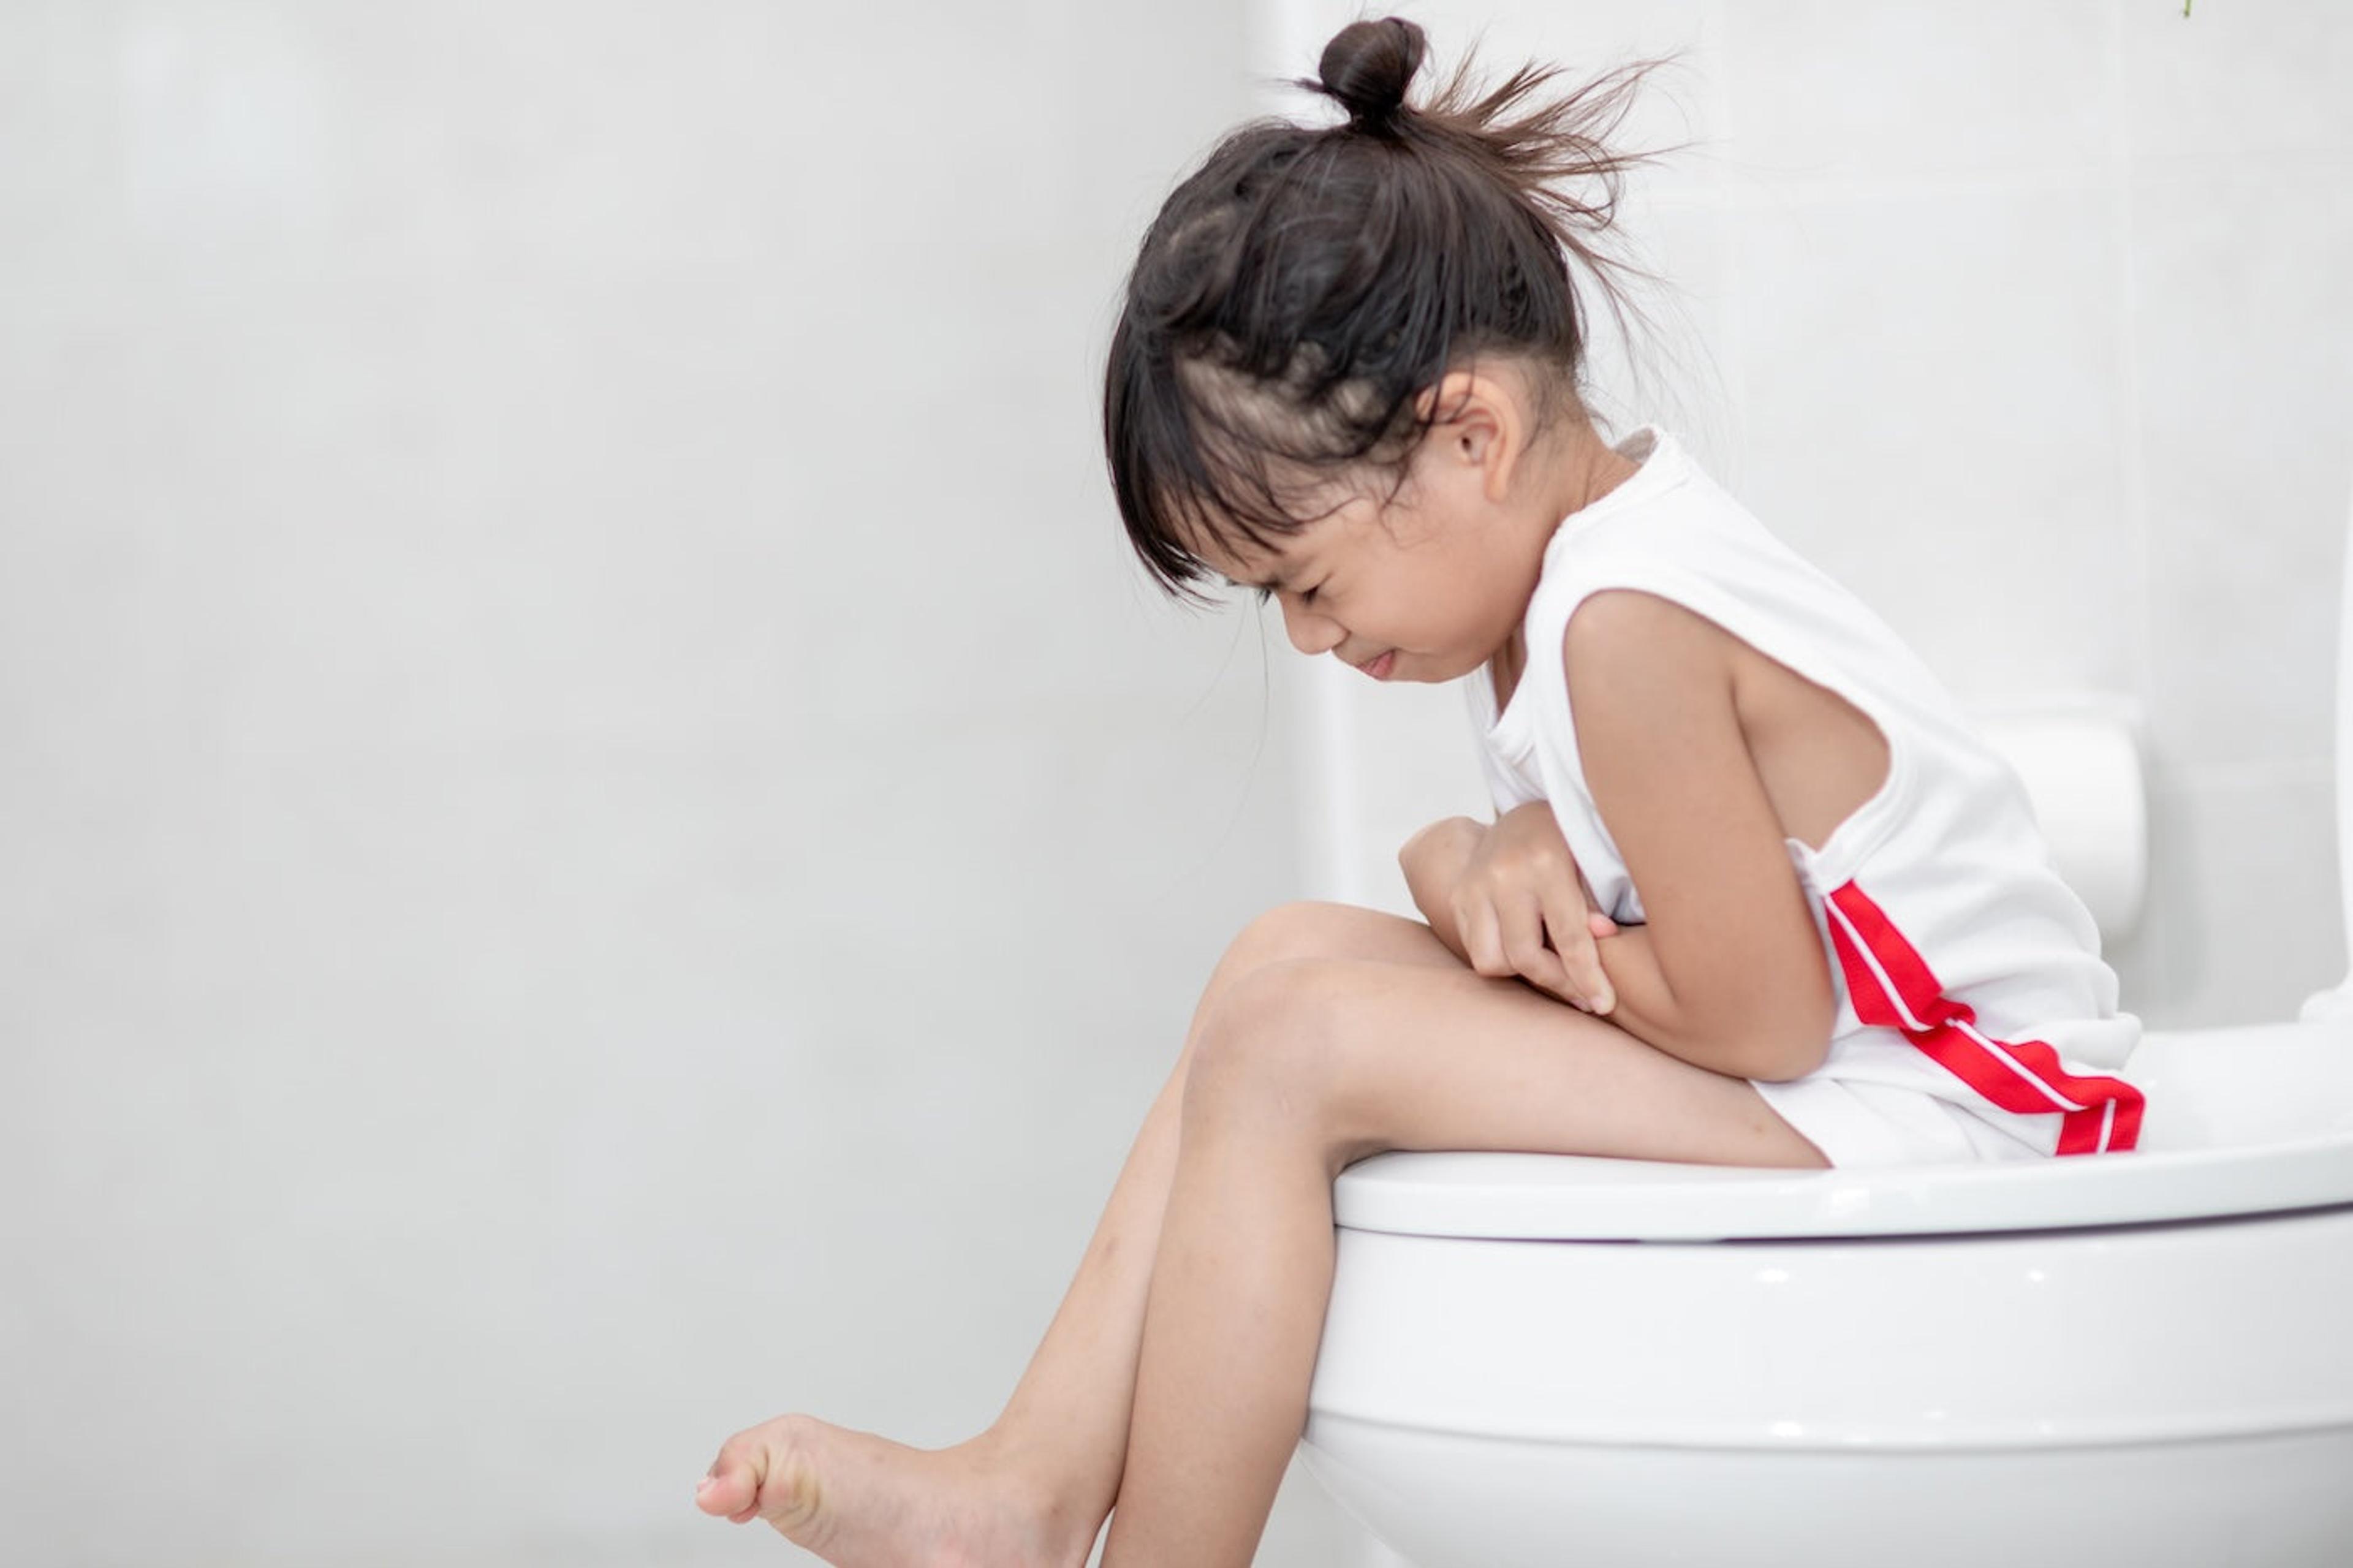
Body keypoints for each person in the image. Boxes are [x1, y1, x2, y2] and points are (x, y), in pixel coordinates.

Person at [693, 16, 2146, 1564]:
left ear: (1473, 434)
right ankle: (1031, 1486)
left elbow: (1758, 1016)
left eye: (1309, 581)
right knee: (1277, 961)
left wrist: (1466, 873)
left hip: (1971, 1122)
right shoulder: (1571, 589)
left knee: (1301, 1041)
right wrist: (1491, 854)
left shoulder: (1622, 621)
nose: (1316, 638)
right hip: (1853, 1081)